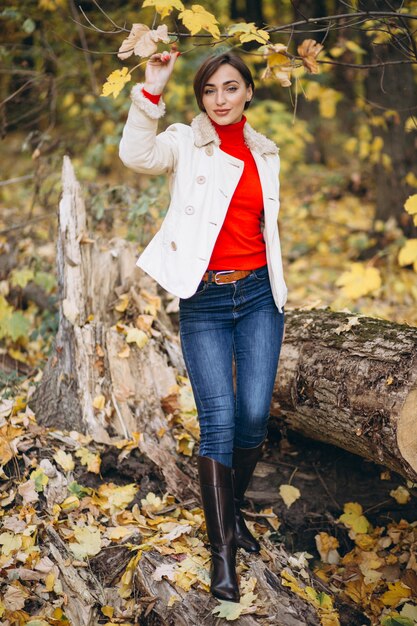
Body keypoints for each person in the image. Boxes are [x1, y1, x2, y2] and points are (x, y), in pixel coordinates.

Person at [119, 49, 287, 603]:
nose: (220, 99)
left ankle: (230, 516)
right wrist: (152, 88)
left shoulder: (266, 152)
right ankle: (224, 555)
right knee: (217, 420)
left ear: (248, 93)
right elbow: (136, 153)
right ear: (201, 97)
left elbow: (267, 231)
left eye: (231, 88)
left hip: (259, 294)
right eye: (210, 90)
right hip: (205, 300)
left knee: (253, 417)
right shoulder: (185, 142)